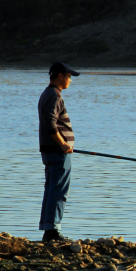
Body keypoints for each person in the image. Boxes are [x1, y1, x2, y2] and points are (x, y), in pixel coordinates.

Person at [38, 61, 80, 243]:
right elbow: (49, 123)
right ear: (60, 76)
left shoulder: (47, 94)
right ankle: (52, 231)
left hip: (50, 151)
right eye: (69, 76)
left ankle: (49, 229)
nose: (70, 80)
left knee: (51, 189)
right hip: (57, 152)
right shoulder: (55, 96)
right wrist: (63, 143)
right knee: (59, 191)